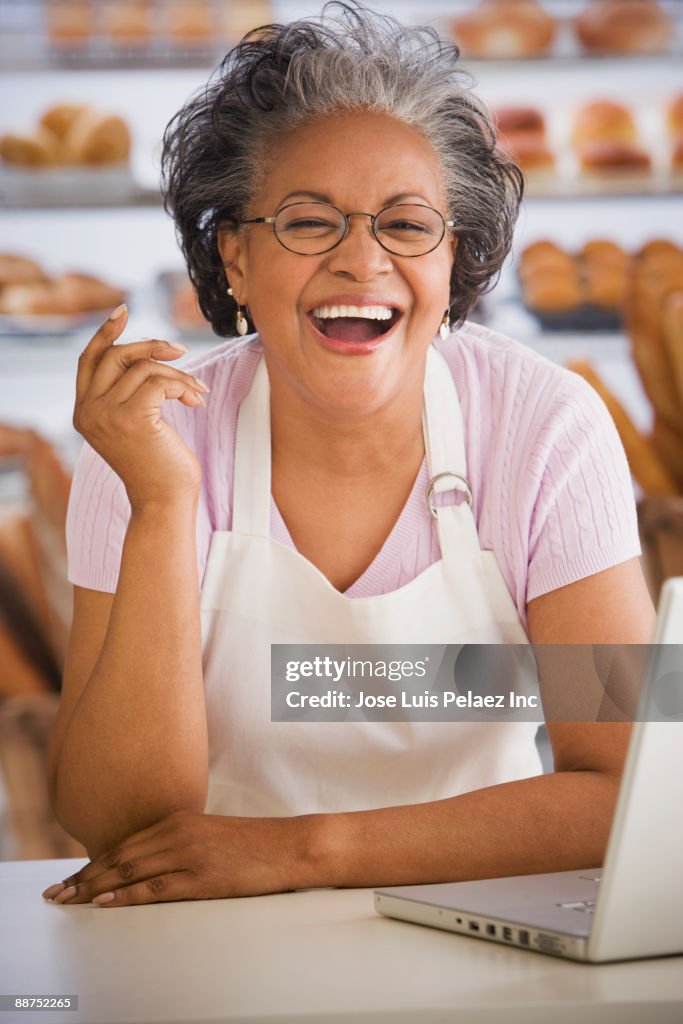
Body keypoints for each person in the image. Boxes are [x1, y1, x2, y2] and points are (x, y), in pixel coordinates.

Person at [43, 2, 655, 908]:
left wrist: (307, 852)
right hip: (208, 940)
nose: (361, 261)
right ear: (237, 259)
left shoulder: (546, 423)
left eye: (406, 226)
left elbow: (630, 790)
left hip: (481, 919)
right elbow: (112, 820)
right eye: (307, 221)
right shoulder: (149, 442)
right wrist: (164, 505)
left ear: (455, 264)